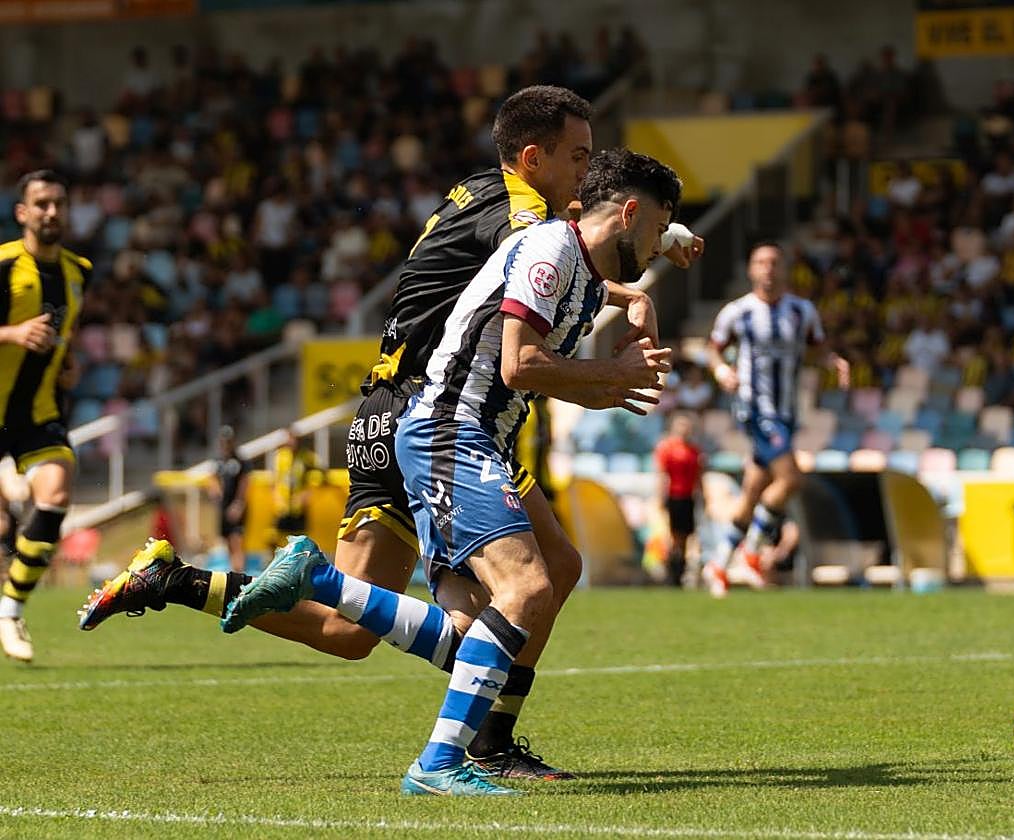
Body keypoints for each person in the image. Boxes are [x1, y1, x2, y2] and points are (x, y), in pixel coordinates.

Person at [79, 86, 701, 780]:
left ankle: (178, 580)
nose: (585, 177)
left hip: (427, 408)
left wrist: (654, 241)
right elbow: (551, 265)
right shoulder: (530, 222)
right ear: (533, 159)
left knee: (492, 592)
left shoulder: (479, 190)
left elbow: (570, 254)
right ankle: (478, 746)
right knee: (496, 592)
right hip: (432, 409)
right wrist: (632, 296)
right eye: (578, 158)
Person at [222, 147, 679, 796]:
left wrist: (640, 300)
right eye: (658, 228)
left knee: (472, 633)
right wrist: (612, 377)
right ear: (630, 212)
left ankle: (322, 579)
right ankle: (439, 765)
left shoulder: (577, 262)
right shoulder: (549, 252)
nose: (660, 243)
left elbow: (607, 266)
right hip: (451, 434)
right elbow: (520, 365)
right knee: (529, 588)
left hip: (462, 438)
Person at [704, 241, 847, 598]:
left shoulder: (802, 311)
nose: (768, 268)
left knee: (754, 490)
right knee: (792, 479)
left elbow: (818, 346)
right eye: (760, 262)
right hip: (756, 409)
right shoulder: (738, 312)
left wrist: (833, 362)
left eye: (774, 262)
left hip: (786, 412)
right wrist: (721, 370)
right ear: (752, 270)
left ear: (784, 269)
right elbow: (713, 348)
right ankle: (753, 551)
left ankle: (718, 563)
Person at [0, 169, 90, 661]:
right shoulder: (4, 265)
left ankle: (9, 612)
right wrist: (12, 335)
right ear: (22, 212)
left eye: (58, 203)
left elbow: (66, 332)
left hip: (37, 410)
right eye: (41, 204)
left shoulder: (81, 271)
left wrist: (68, 362)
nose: (51, 212)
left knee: (56, 492)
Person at [654, 412, 704, 587]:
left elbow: (699, 476)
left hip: (688, 497)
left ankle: (679, 572)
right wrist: (660, 497)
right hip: (674, 496)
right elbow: (662, 474)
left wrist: (703, 496)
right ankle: (672, 572)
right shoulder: (667, 448)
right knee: (675, 536)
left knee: (686, 536)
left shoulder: (694, 451)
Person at [270, 424, 321, 548]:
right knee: (273, 537)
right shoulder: (280, 456)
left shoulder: (306, 456)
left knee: (299, 539)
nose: (291, 442)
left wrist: (307, 494)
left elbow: (319, 474)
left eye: (293, 438)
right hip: (282, 505)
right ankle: (275, 563)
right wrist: (276, 497)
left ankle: (298, 563)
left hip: (298, 506)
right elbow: (275, 480)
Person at [210, 425, 249, 573]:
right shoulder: (219, 461)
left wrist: (239, 503)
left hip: (235, 506)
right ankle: (234, 572)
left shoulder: (240, 461)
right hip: (224, 507)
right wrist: (215, 491)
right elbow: (213, 478)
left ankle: (239, 576)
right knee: (227, 542)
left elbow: (245, 483)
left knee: (237, 541)